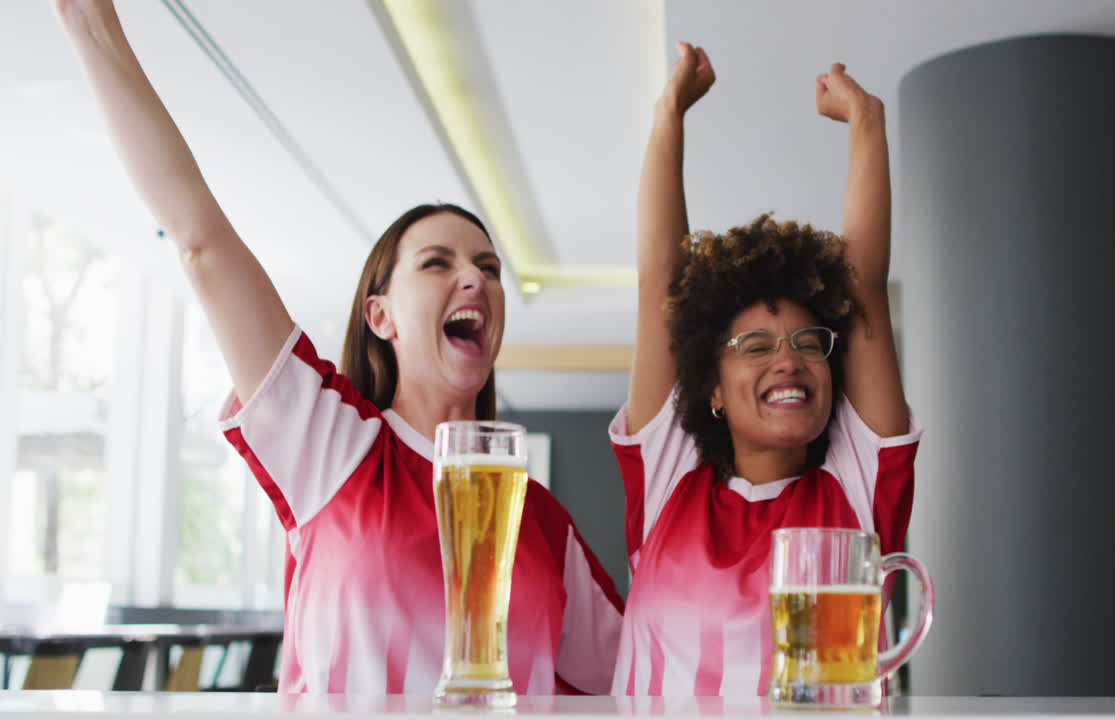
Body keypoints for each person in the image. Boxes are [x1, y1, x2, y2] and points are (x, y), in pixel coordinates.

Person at [53, 0, 622, 695]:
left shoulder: (540, 520)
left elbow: (639, 678)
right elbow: (201, 240)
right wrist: (92, 28)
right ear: (379, 316)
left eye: (490, 268)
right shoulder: (333, 445)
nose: (475, 276)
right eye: (438, 262)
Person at [609, 42, 922, 696]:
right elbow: (660, 284)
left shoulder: (856, 490)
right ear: (712, 390)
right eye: (756, 346)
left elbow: (863, 286)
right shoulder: (671, 479)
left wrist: (867, 124)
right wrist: (668, 113)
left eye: (809, 343)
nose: (790, 359)